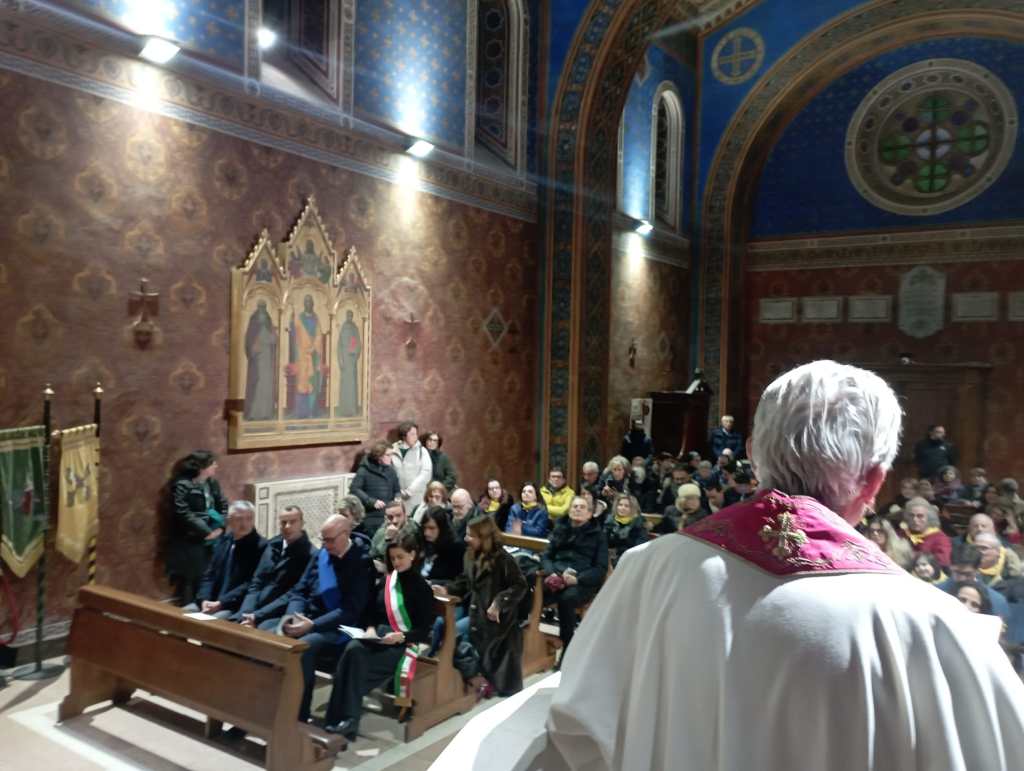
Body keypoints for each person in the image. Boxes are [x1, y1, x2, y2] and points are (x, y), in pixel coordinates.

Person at [437, 360, 1024, 771]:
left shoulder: (647, 572)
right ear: (875, 479)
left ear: (751, 454)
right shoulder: (939, 630)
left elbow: (577, 735)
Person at [324, 530, 435, 740]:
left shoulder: (421, 588)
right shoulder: (387, 582)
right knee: (352, 651)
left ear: (412, 554)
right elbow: (370, 612)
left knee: (356, 661)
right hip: (380, 637)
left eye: (400, 557)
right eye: (392, 558)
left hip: (405, 644)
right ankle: (341, 719)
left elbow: (424, 630)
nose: (396, 562)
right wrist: (371, 628)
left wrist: (401, 636)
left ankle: (346, 720)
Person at [262, 514, 373, 722]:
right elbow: (299, 591)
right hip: (307, 619)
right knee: (265, 635)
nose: (325, 544)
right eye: (323, 539)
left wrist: (312, 625)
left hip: (339, 627)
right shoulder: (321, 554)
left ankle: (297, 716)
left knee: (302, 648)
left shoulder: (361, 562)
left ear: (346, 534)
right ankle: (265, 707)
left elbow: (350, 611)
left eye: (330, 540)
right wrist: (294, 616)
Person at [436, 514, 528, 697]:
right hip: (476, 613)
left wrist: (499, 603)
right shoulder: (470, 555)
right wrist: (447, 589)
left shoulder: (503, 560)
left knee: (452, 635)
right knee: (444, 631)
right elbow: (465, 582)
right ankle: (468, 676)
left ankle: (475, 678)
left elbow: (520, 586)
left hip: (496, 621)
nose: (466, 538)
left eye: (471, 535)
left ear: (484, 537)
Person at [541, 496, 608, 659]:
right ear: (569, 510)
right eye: (574, 506)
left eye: (582, 507)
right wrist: (551, 573)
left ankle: (568, 646)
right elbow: (546, 556)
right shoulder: (560, 528)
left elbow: (600, 568)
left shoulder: (598, 535)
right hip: (556, 576)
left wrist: (578, 579)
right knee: (529, 588)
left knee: (567, 598)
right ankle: (530, 639)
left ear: (590, 514)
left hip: (582, 582)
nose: (577, 509)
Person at [165, 450, 228, 606]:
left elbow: (223, 505)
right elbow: (183, 512)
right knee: (192, 577)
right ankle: (190, 610)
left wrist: (220, 527)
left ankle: (208, 608)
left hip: (214, 532)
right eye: (213, 463)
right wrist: (206, 532)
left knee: (213, 573)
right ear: (202, 466)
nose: (216, 466)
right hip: (191, 536)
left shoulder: (212, 483)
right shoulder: (182, 485)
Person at [237, 505, 315, 627]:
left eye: (293, 522)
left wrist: (257, 616)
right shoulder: (272, 545)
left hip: (275, 614)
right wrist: (246, 612)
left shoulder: (310, 554)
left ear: (302, 523)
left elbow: (292, 594)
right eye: (283, 522)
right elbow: (257, 582)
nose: (287, 527)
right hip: (252, 609)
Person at [185, 501, 265, 618]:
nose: (244, 524)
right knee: (178, 617)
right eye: (239, 519)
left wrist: (221, 603)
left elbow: (251, 584)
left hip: (233, 606)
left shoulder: (261, 546)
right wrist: (204, 599)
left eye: (249, 519)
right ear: (229, 520)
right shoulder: (225, 540)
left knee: (212, 624)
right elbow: (210, 574)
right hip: (209, 602)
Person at [937, 543, 1011, 623]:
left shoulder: (996, 601)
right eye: (957, 572)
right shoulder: (935, 593)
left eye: (967, 574)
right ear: (950, 567)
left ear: (977, 570)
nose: (962, 579)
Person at [350, 440, 401, 537]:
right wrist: (371, 501)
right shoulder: (364, 470)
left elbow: (397, 489)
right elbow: (354, 489)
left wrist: (398, 497)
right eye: (388, 455)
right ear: (379, 456)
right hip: (371, 516)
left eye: (392, 455)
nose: (391, 458)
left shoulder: (391, 470)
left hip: (389, 515)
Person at [900, 496, 952, 568]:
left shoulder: (940, 538)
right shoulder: (901, 534)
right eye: (911, 516)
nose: (915, 519)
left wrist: (914, 556)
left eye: (920, 516)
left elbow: (943, 561)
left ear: (929, 518)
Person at [391, 420, 433, 509]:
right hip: (398, 497)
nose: (416, 437)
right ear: (404, 436)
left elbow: (425, 474)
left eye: (416, 434)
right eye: (412, 434)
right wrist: (397, 491)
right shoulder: (393, 450)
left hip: (417, 496)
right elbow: (389, 472)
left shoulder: (422, 451)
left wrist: (410, 491)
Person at [420, 506, 464, 585]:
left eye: (431, 528)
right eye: (424, 528)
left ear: (441, 528)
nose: (426, 533)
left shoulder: (455, 548)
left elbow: (458, 581)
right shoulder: (424, 542)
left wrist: (431, 583)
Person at [370, 500, 421, 568]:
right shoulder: (381, 532)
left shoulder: (415, 530)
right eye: (390, 517)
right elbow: (372, 554)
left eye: (398, 516)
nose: (395, 521)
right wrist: (388, 539)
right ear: (386, 518)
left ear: (405, 515)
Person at [604, 493, 647, 566]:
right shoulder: (610, 521)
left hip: (630, 559)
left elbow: (639, 548)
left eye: (626, 506)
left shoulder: (638, 524)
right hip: (610, 557)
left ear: (632, 509)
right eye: (620, 505)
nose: (622, 508)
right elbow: (603, 542)